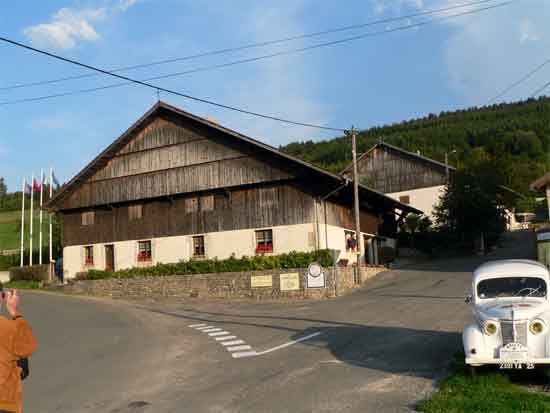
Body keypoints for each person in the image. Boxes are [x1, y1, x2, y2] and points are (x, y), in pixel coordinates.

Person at [0, 283, 38, 413]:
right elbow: (29, 346)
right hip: (4, 401)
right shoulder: (8, 328)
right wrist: (14, 311)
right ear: (2, 297)